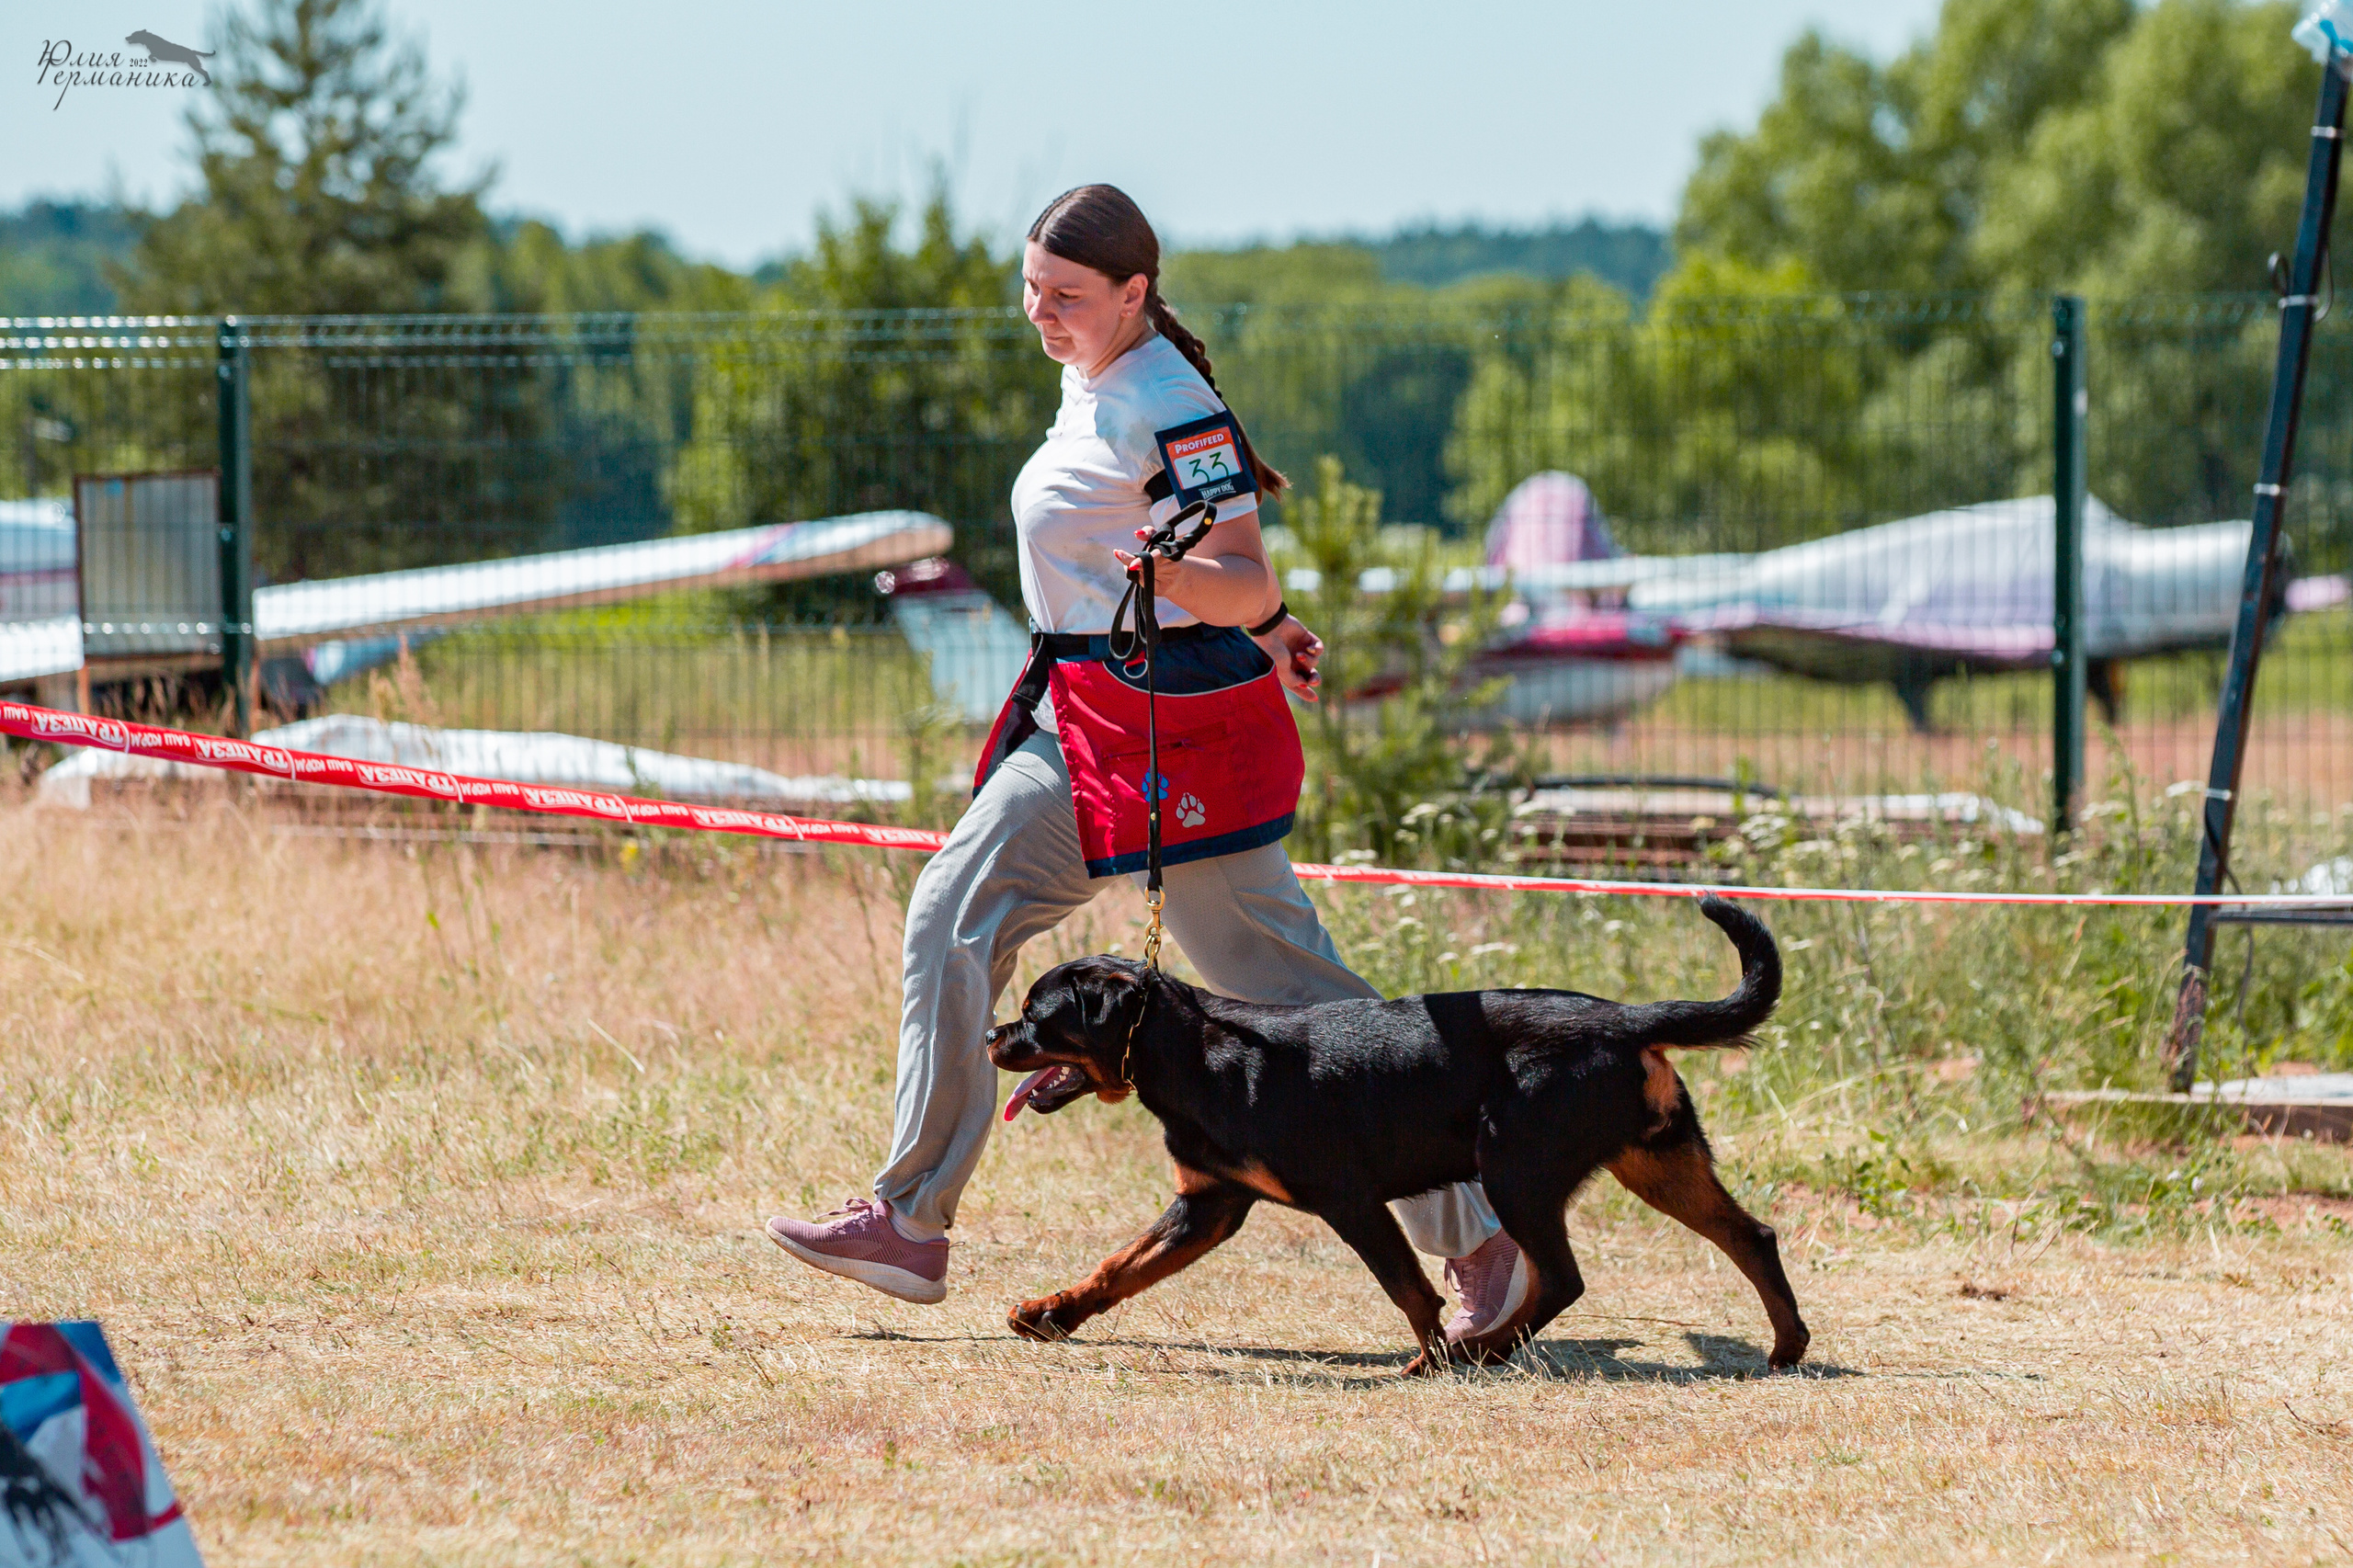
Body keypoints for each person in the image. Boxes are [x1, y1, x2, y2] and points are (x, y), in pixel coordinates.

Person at [766, 185, 1527, 1345]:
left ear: (1134, 292)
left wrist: (1213, 600)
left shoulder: (1171, 402)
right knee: (949, 915)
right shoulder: (1094, 378)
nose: (1038, 312)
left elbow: (1242, 574)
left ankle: (1482, 1238)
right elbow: (1224, 592)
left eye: (1064, 295)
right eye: (1029, 287)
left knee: (1297, 1004)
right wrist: (1261, 632)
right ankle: (909, 1219)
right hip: (1075, 718)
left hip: (1172, 735)